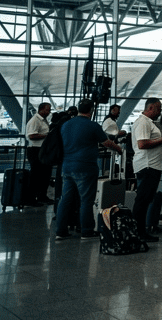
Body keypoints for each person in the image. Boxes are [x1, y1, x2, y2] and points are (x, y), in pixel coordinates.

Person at [54, 99, 123, 240]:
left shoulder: (66, 125)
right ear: (91, 110)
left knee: (65, 199)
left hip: (67, 167)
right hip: (85, 167)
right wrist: (118, 148)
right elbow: (106, 142)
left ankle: (60, 231)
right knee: (86, 200)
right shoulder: (92, 126)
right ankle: (86, 231)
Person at [131, 97, 162, 242]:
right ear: (150, 108)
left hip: (151, 166)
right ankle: (138, 233)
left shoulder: (148, 122)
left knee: (145, 201)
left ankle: (141, 231)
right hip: (147, 166)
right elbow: (142, 144)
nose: (160, 111)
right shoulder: (143, 122)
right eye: (158, 108)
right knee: (142, 201)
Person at [25, 102, 52, 206]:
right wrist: (47, 136)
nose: (49, 112)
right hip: (35, 150)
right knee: (36, 175)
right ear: (40, 110)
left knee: (45, 175)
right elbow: (31, 136)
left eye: (49, 110)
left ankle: (42, 196)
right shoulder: (34, 121)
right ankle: (30, 199)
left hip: (42, 150)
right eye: (47, 110)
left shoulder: (43, 120)